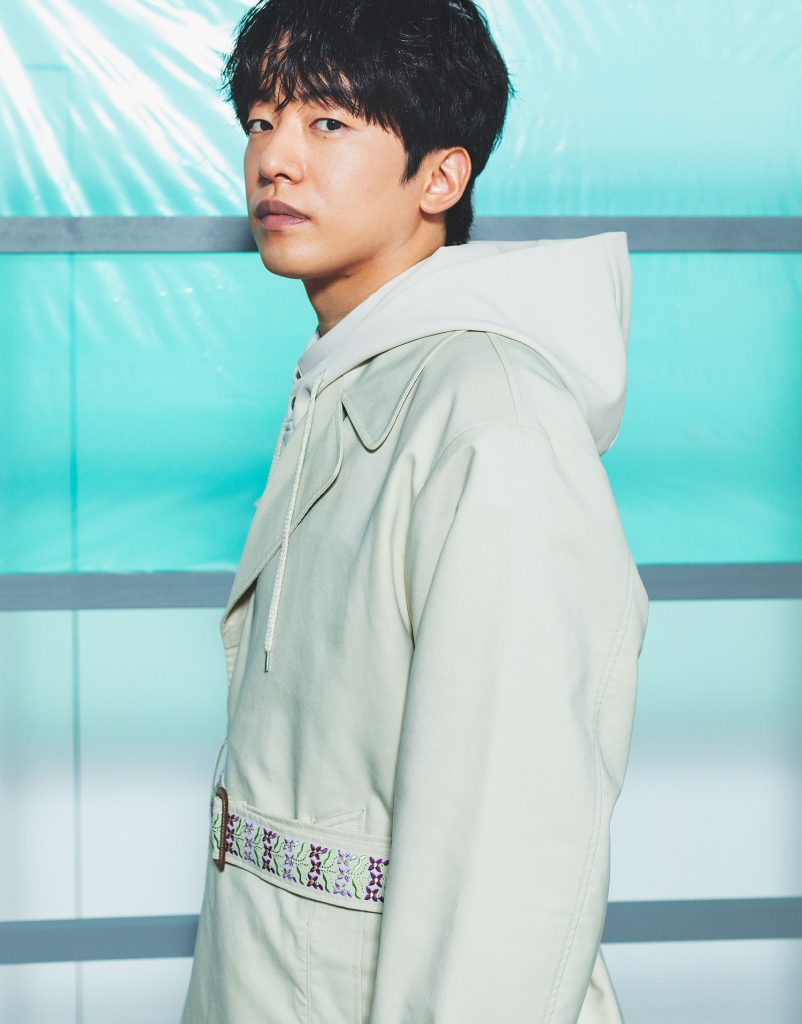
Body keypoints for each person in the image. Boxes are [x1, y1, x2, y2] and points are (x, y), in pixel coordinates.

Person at [181, 1, 649, 1021]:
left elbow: (508, 858)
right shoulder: (349, 378)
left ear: (441, 177)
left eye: (327, 122)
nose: (274, 160)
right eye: (260, 121)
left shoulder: (492, 419)